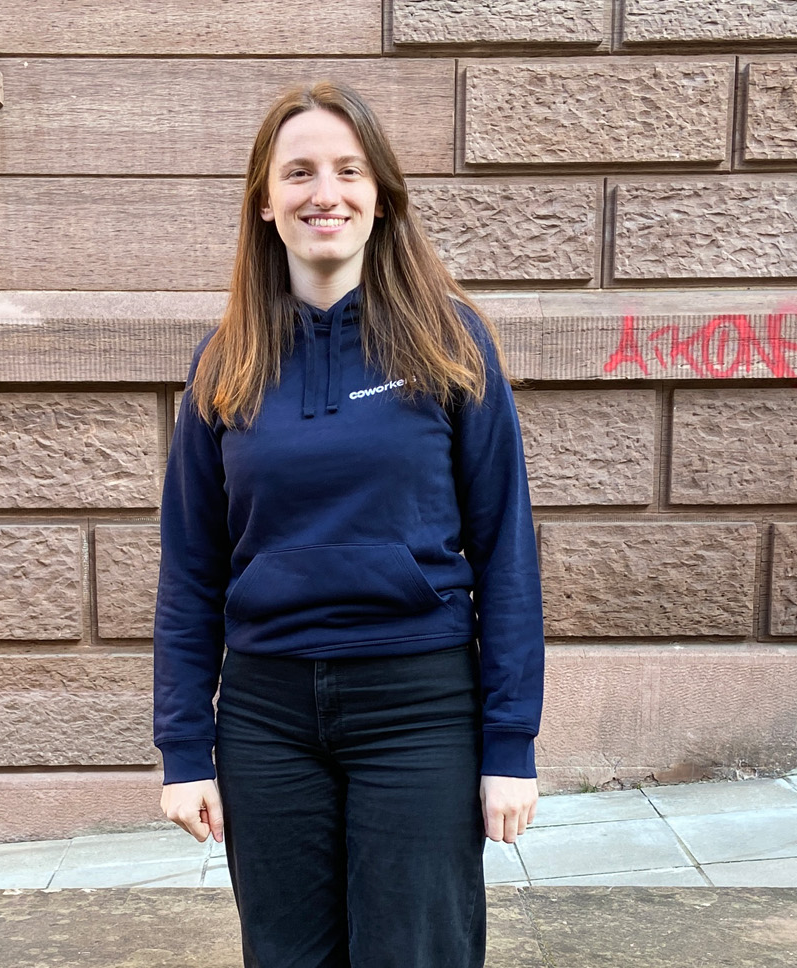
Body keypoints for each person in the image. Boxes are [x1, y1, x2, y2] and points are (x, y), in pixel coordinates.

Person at [151, 80, 546, 968]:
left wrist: (510, 747)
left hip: (420, 710)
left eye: (348, 171)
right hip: (266, 718)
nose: (323, 193)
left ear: (381, 196)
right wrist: (184, 751)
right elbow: (191, 572)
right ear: (265, 201)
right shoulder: (224, 365)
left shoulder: (450, 345)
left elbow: (507, 556)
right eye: (299, 172)